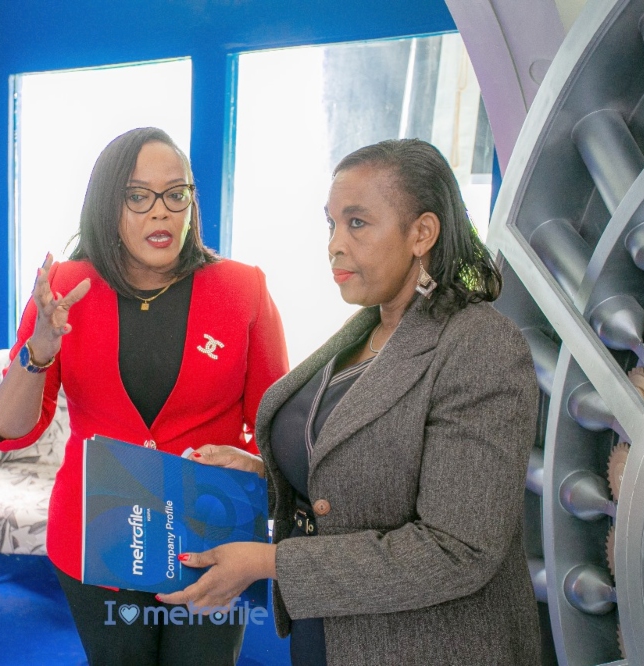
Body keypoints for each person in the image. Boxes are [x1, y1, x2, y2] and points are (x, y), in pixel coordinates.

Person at [159, 138, 542, 665]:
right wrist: (264, 474)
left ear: (421, 233)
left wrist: (271, 562)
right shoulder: (367, 329)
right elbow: (359, 469)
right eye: (331, 224)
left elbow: (459, 550)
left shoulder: (480, 346)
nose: (335, 244)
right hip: (331, 634)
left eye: (357, 223)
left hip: (427, 647)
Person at [0, 127, 289, 665]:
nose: (161, 212)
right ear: (109, 204)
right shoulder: (64, 290)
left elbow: (276, 431)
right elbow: (7, 430)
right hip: (96, 537)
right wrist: (39, 350)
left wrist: (258, 465)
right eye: (138, 196)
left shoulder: (243, 290)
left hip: (208, 533)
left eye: (176, 194)